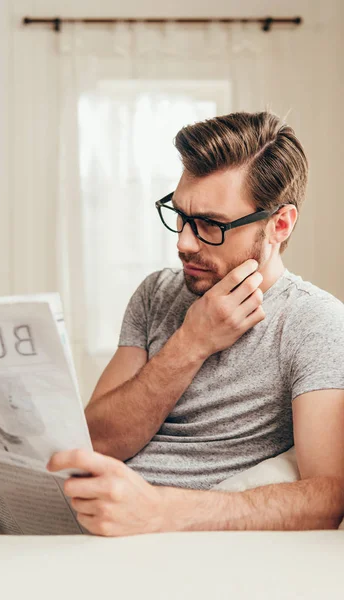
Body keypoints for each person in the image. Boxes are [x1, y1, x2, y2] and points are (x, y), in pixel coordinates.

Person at [47, 111, 344, 536]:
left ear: (280, 224)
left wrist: (160, 511)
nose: (184, 242)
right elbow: (96, 441)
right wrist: (192, 341)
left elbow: (328, 497)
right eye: (181, 214)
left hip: (163, 540)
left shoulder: (317, 323)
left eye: (211, 225)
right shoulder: (156, 293)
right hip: (77, 512)